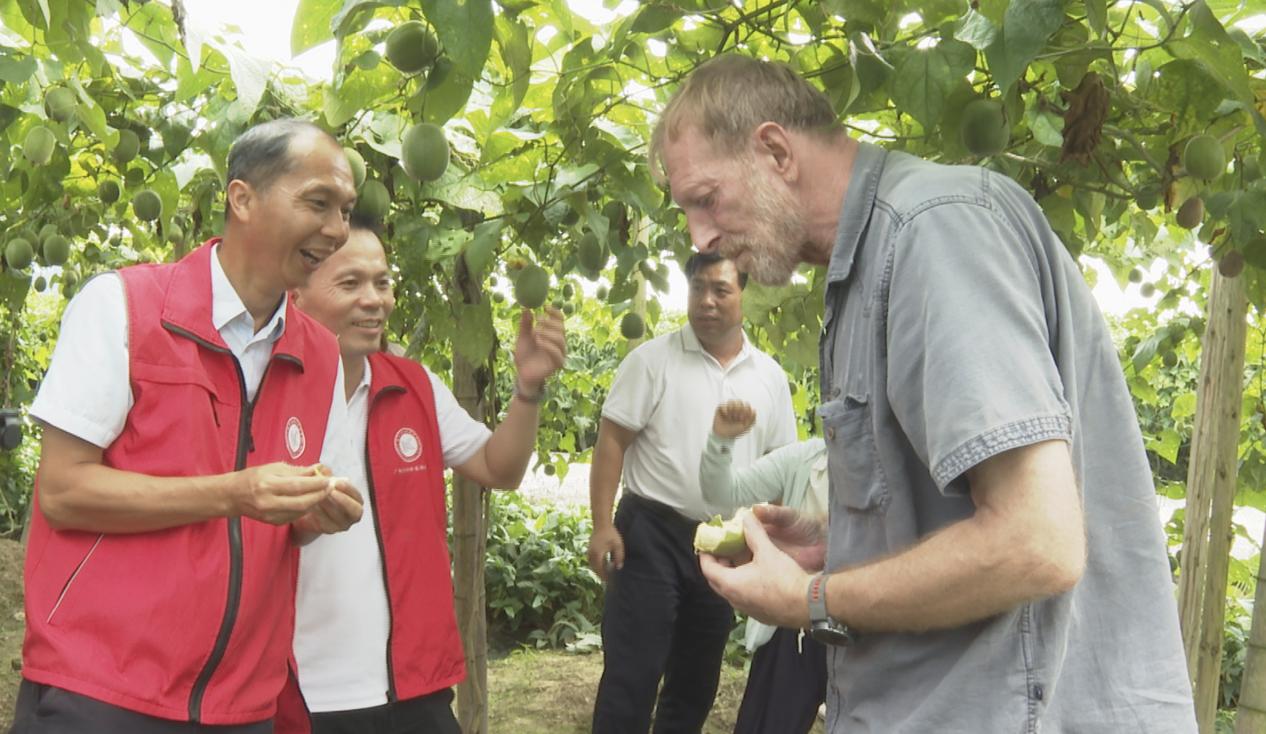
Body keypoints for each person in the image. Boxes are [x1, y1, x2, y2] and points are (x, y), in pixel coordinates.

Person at [651, 55, 1197, 732]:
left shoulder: (933, 232)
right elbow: (959, 517)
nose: (700, 237)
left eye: (705, 199)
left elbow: (1036, 542)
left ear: (774, 150)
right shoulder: (867, 266)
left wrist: (811, 597)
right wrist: (839, 544)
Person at [11, 119, 366, 733]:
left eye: (346, 210)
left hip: (242, 705)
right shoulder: (122, 306)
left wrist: (314, 511)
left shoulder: (321, 354)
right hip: (101, 692)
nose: (337, 230)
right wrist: (236, 492)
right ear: (242, 198)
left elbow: (287, 521)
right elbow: (64, 493)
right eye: (318, 203)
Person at [276, 218, 567, 734]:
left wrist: (528, 390)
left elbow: (499, 468)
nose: (375, 300)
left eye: (382, 282)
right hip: (299, 691)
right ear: (295, 294)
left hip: (413, 688)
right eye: (351, 283)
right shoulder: (266, 394)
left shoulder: (414, 386)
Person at [587, 252, 797, 734]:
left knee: (695, 684)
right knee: (630, 679)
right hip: (649, 535)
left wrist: (769, 548)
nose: (706, 301)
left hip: (723, 546)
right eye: (697, 288)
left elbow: (780, 469)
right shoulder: (652, 361)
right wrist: (602, 525)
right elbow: (612, 441)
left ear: (743, 293)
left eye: (720, 290)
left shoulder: (769, 378)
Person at [699, 400, 827, 734]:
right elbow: (722, 493)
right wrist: (721, 442)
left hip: (867, 619)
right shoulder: (804, 459)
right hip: (796, 622)